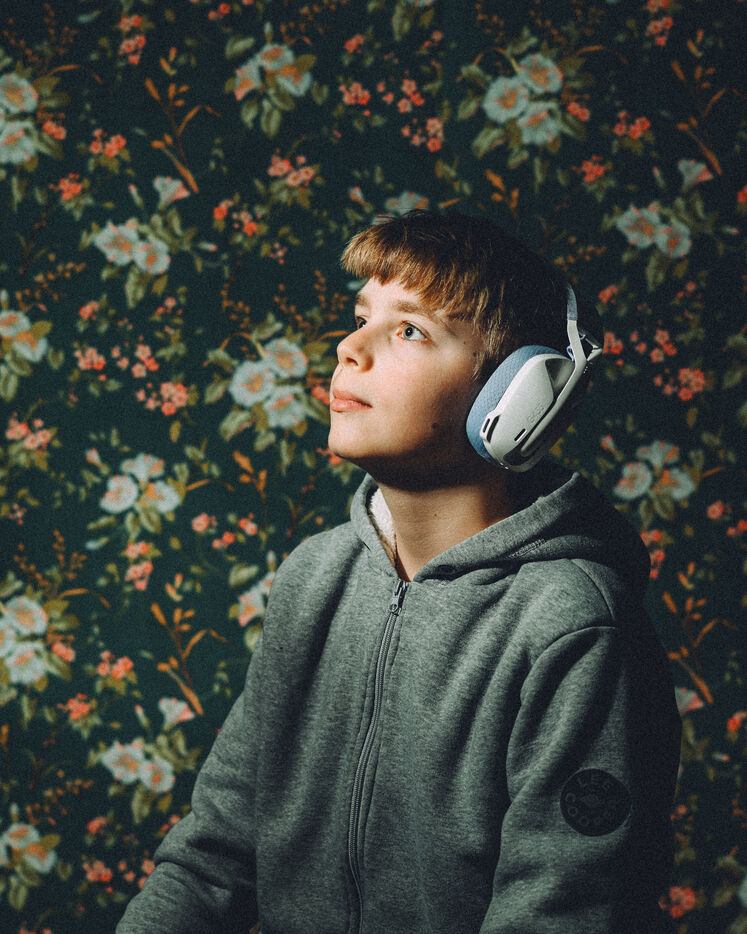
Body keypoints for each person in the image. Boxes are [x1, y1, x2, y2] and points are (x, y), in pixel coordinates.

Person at [117, 210, 681, 933]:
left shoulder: (573, 624)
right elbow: (211, 859)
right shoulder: (312, 580)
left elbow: (560, 914)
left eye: (409, 330)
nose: (349, 348)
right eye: (360, 320)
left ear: (519, 397)